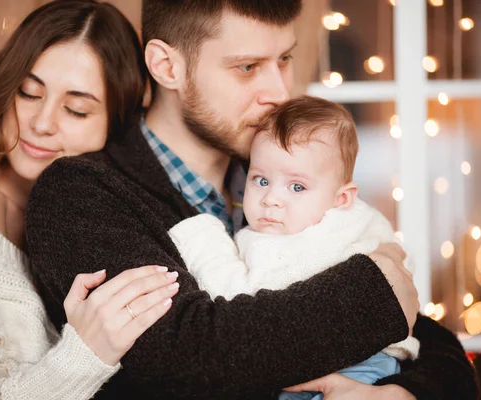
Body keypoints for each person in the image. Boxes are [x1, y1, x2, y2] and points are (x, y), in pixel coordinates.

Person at [25, 1, 478, 399]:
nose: (279, 92)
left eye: (284, 59)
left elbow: (441, 351)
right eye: (247, 67)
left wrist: (403, 393)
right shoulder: (82, 191)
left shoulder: (282, 176)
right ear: (166, 66)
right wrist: (378, 293)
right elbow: (187, 358)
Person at [0, 1, 180, 399]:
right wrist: (87, 353)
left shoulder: (101, 217)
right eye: (28, 93)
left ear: (115, 122)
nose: (42, 124)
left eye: (76, 110)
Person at [168, 95, 420, 400]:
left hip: (352, 366)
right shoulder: (365, 220)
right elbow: (399, 272)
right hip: (380, 358)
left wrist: (202, 239)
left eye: (297, 186)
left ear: (342, 198)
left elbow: (238, 298)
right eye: (261, 180)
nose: (271, 198)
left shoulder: (271, 243)